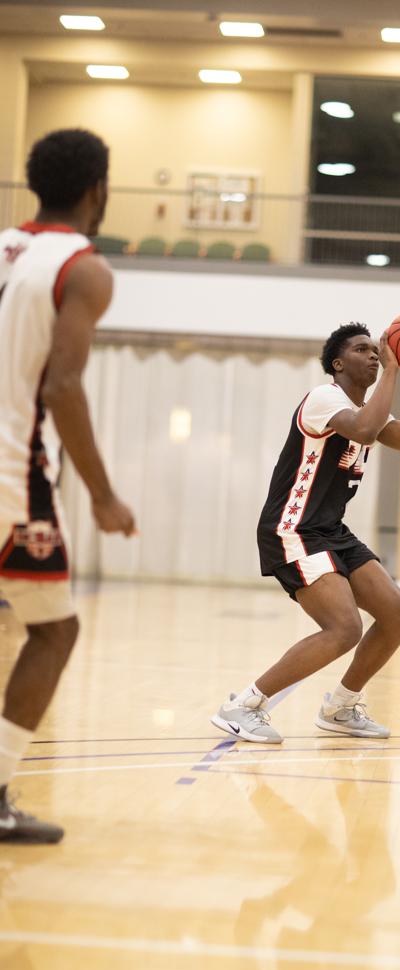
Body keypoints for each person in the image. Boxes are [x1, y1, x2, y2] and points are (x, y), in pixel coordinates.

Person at [211, 322, 400, 743]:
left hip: (331, 530)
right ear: (338, 364)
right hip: (293, 527)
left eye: (378, 351)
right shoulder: (324, 399)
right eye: (363, 350)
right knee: (344, 627)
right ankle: (244, 705)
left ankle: (341, 705)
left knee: (397, 612)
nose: (375, 355)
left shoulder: (371, 414)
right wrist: (394, 371)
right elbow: (362, 429)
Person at [0, 129, 136, 843]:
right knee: (53, 629)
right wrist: (103, 494)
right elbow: (64, 384)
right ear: (97, 190)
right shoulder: (82, 268)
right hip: (10, 474)